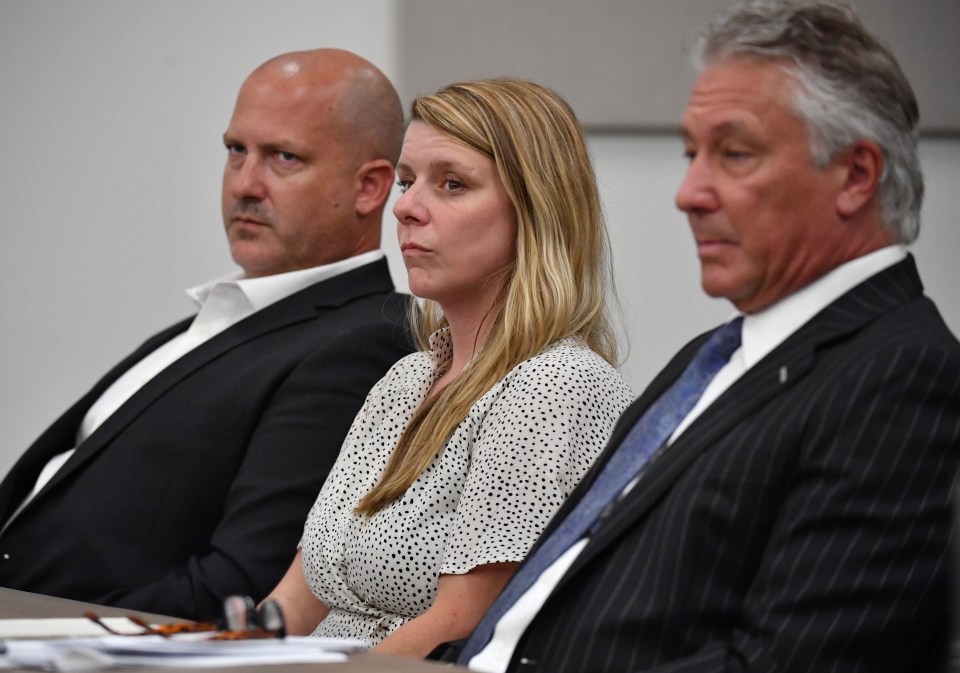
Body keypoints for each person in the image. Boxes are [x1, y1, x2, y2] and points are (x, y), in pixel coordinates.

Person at [447, 2, 960, 672]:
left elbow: (790, 660)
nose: (689, 193)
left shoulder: (901, 373)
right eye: (693, 153)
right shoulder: (717, 352)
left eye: (735, 154)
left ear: (856, 176)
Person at [0, 49, 413, 621]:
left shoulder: (363, 341)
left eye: (284, 158)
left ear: (370, 188)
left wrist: (44, 634)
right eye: (235, 150)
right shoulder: (227, 314)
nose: (245, 184)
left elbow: (246, 584)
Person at [264, 78, 634, 657]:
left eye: (452, 184)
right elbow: (300, 596)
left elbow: (462, 624)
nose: (406, 207)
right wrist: (214, 654)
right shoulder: (406, 379)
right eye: (408, 181)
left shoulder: (554, 385)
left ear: (537, 211)